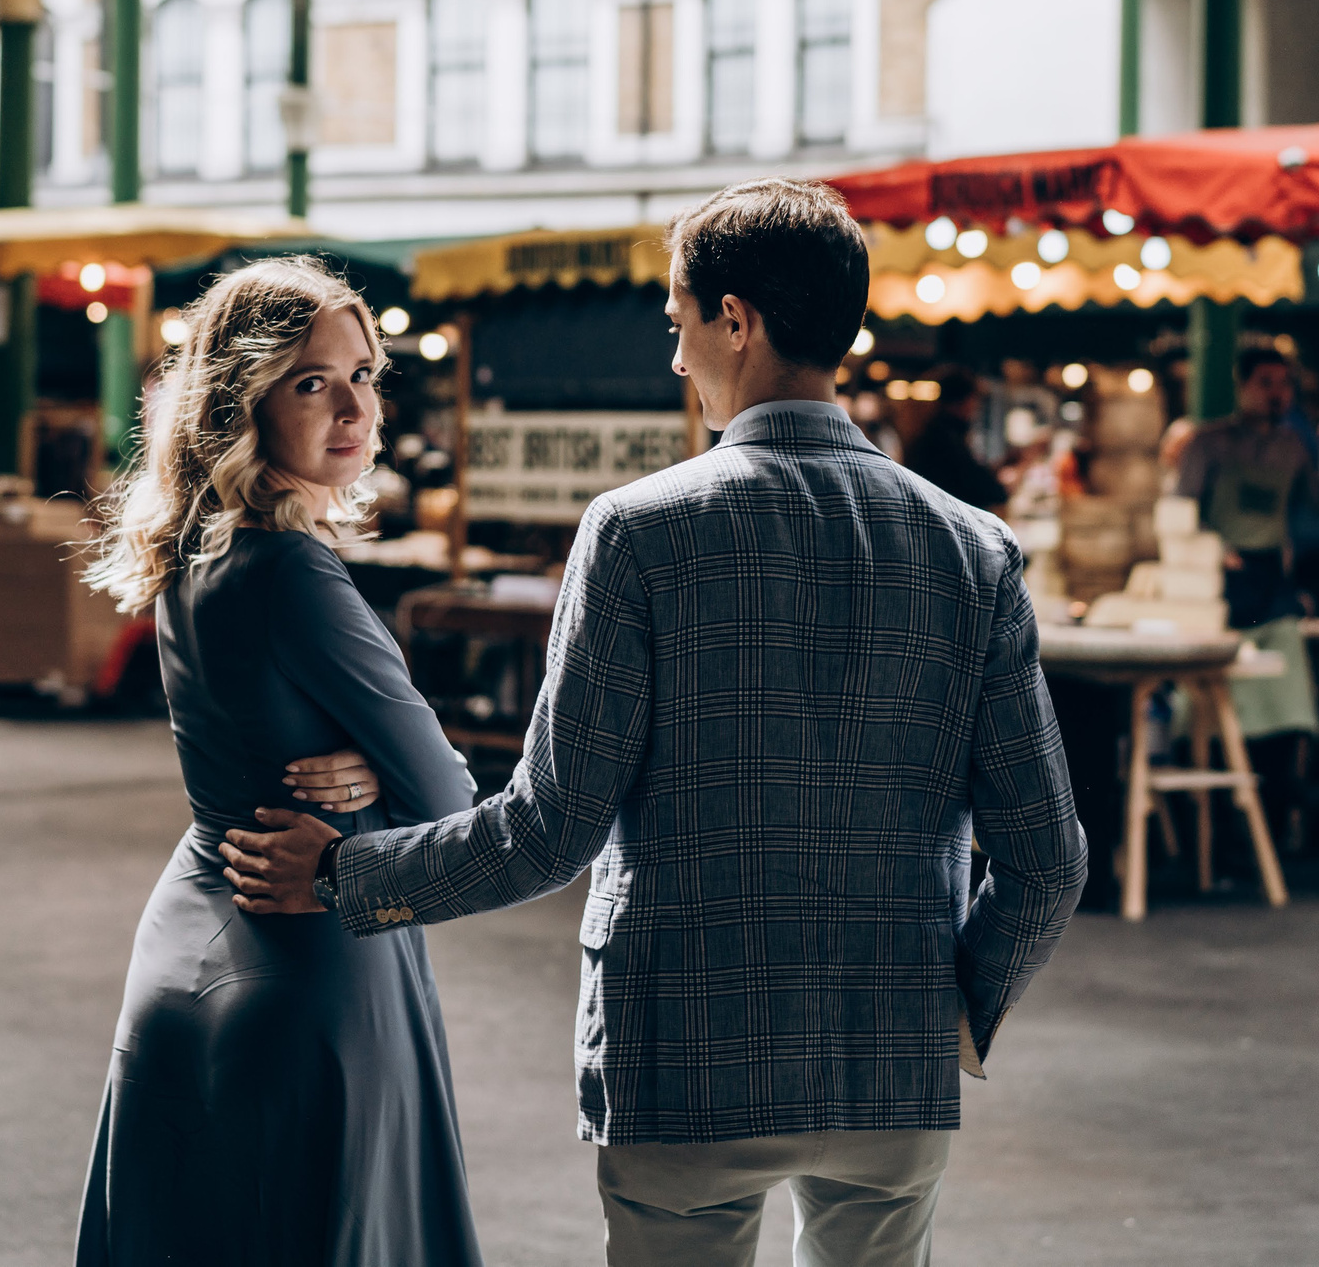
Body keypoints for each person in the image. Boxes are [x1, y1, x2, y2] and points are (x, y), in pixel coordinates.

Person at [224, 181, 1087, 1267]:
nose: (676, 359)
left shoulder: (639, 532)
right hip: (890, 1061)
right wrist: (953, 1012)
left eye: (680, 326)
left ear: (738, 320)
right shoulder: (973, 549)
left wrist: (348, 873)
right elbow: (1047, 859)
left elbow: (548, 829)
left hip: (686, 1054)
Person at [73, 257, 482, 1267]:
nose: (353, 406)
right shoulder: (294, 568)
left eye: (363, 375)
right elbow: (448, 801)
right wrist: (386, 779)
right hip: (306, 969)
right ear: (241, 402)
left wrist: (365, 772)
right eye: (312, 382)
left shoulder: (193, 554)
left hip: (185, 950)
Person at [1173, 347, 1319, 836]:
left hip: (1272, 588)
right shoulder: (1208, 444)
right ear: (1242, 386)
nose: (1276, 393)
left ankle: (1275, 819)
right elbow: (1180, 515)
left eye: (1284, 383)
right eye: (1265, 382)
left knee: (1285, 700)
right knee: (1217, 708)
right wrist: (1212, 547)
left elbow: (1308, 519)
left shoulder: (1295, 450)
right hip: (1220, 585)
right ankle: (1218, 827)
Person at [902, 366, 1008, 511]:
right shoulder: (944, 438)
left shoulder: (936, 432)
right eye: (973, 400)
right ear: (961, 401)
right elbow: (984, 489)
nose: (975, 408)